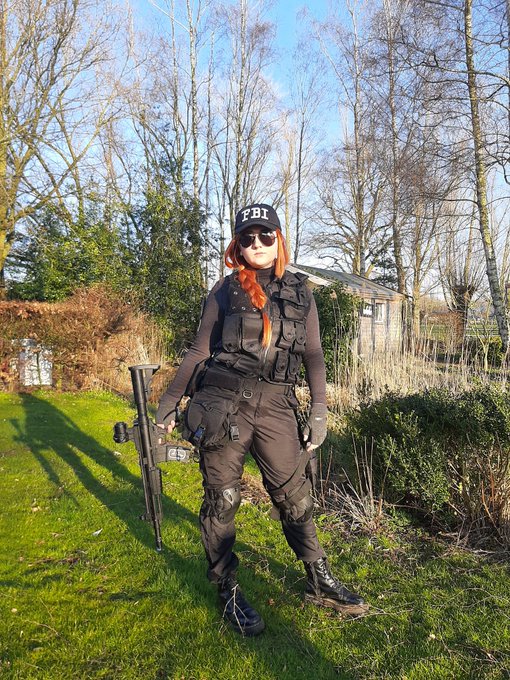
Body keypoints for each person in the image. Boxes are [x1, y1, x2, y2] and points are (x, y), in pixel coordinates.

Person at [156, 203, 365, 636]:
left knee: (296, 498)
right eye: (247, 237)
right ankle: (227, 589)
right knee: (223, 499)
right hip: (223, 403)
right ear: (238, 245)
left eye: (265, 235)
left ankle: (319, 579)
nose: (257, 244)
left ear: (278, 239)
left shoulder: (302, 292)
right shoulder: (225, 290)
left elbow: (314, 355)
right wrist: (170, 402)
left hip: (276, 406)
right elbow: (199, 350)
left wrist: (320, 410)